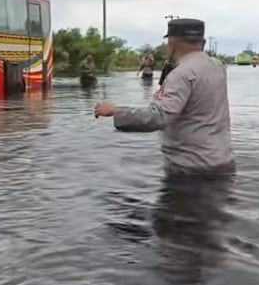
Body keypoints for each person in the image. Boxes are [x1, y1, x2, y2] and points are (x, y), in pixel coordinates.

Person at [93, 18, 234, 172]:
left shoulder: (182, 73)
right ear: (202, 41)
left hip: (192, 168)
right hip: (223, 161)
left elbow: (160, 116)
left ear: (173, 42)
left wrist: (116, 111)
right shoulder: (218, 66)